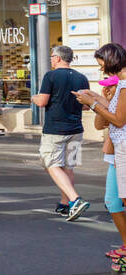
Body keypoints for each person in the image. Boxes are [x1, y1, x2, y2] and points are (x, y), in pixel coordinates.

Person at [75, 43, 126, 263]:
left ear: (111, 59)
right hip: (118, 150)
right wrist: (98, 100)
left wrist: (93, 104)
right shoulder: (121, 85)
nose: (101, 69)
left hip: (123, 149)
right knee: (113, 201)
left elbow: (119, 120)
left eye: (101, 63)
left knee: (121, 200)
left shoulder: (125, 86)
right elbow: (102, 123)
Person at [34, 45, 91, 220]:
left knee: (51, 164)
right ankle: (65, 204)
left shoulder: (50, 76)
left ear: (58, 58)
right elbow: (87, 105)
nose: (51, 59)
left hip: (55, 129)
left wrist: (33, 98)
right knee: (68, 167)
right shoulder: (82, 78)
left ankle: (75, 199)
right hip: (76, 129)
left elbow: (42, 101)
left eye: (52, 56)